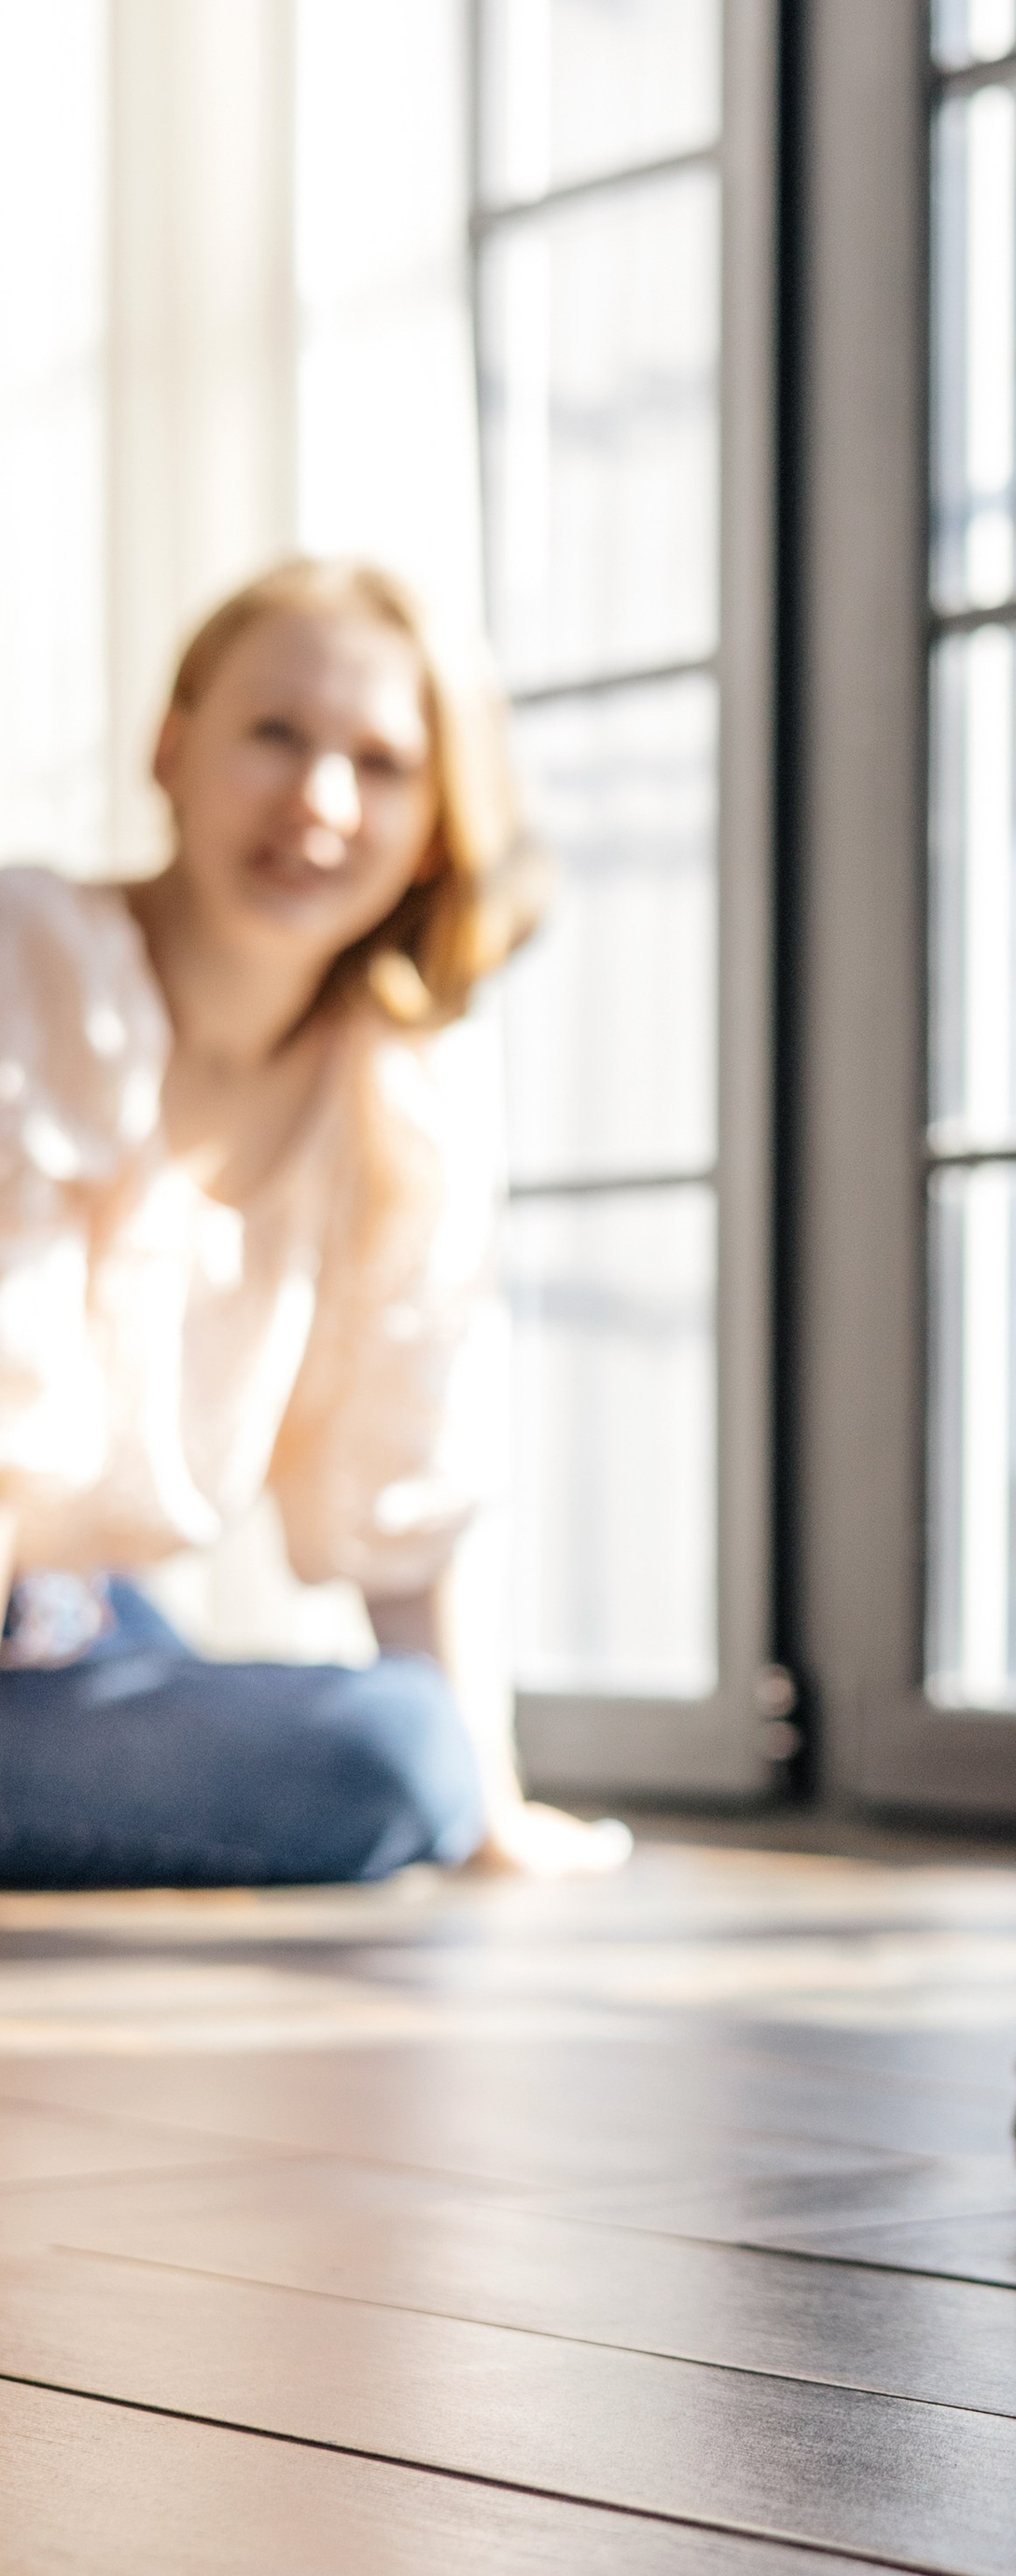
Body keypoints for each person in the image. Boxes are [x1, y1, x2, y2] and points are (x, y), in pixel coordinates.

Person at [0, 554, 626, 1890]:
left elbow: (408, 1490)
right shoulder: (27, 965)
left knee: (411, 1748)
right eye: (273, 734)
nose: (319, 802)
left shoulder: (394, 1101)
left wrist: (490, 1809)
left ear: (436, 816)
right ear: (170, 747)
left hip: (67, 1615)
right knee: (387, 1758)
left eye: (383, 762)